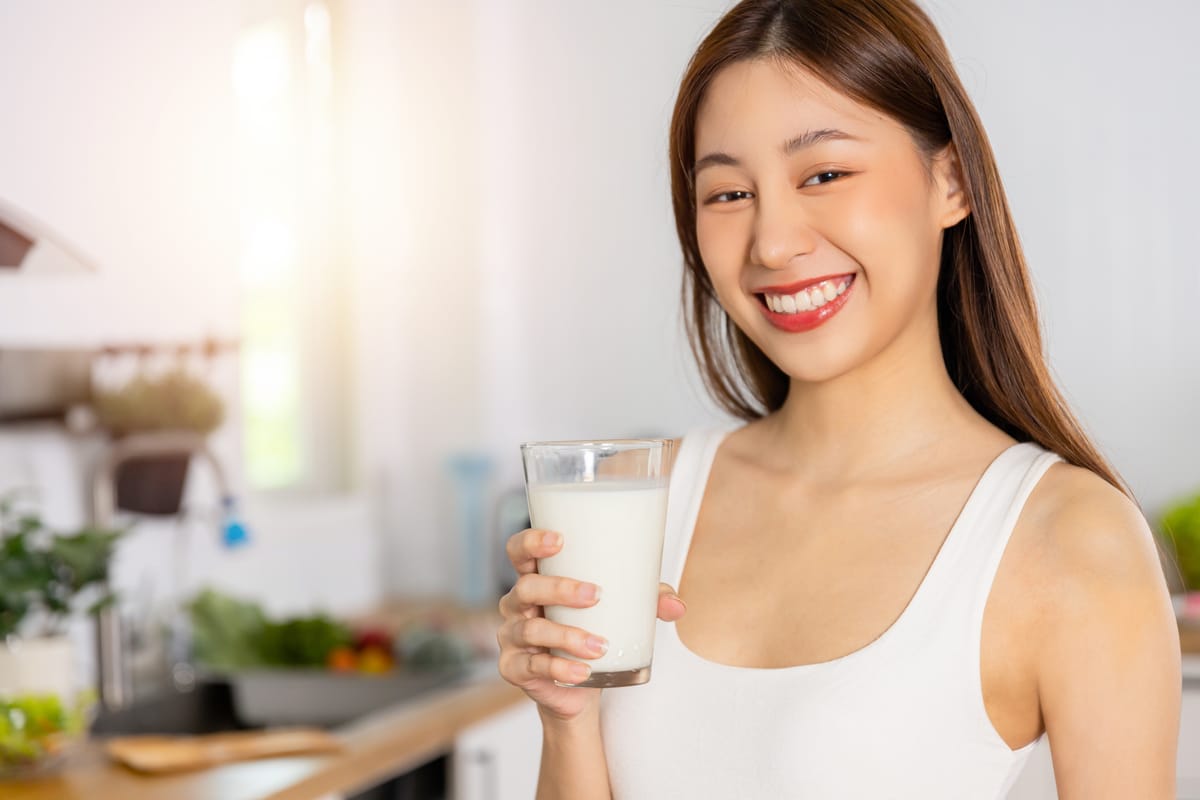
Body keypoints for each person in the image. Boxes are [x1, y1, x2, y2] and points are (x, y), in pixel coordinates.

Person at [497, 0, 1182, 796]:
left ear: (951, 180)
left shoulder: (1070, 540)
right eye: (727, 194)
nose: (774, 242)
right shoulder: (644, 502)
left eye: (824, 174)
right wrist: (567, 714)